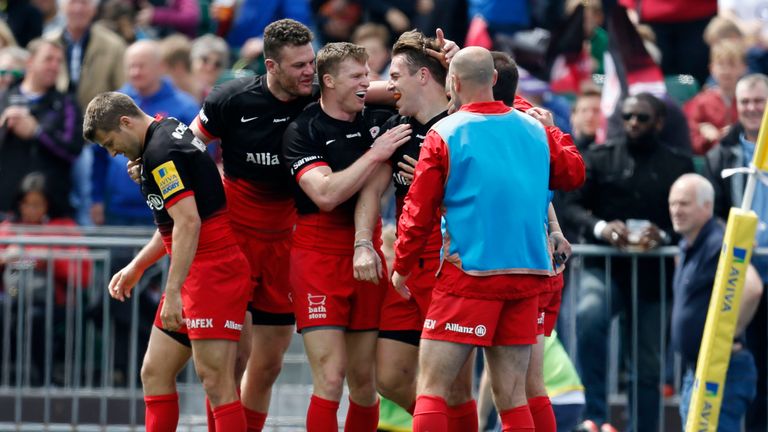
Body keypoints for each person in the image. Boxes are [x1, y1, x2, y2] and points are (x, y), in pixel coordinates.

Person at [391, 46, 579, 431]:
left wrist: (402, 266)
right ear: (494, 80)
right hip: (527, 276)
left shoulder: (445, 132)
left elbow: (418, 210)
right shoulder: (534, 129)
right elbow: (574, 172)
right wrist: (551, 127)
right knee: (515, 397)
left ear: (452, 85)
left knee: (432, 389)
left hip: (469, 276)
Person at [83, 92, 250, 431]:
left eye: (110, 143)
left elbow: (189, 223)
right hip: (196, 270)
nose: (113, 152)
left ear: (125, 122)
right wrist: (138, 266)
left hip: (211, 273)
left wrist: (172, 293)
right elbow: (176, 223)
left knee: (217, 382)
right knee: (155, 372)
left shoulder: (159, 154)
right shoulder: (167, 129)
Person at [282, 41, 411, 431]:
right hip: (317, 254)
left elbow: (434, 88)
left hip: (367, 249)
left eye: (368, 74)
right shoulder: (302, 130)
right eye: (356, 76)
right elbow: (324, 195)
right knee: (331, 377)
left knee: (364, 382)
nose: (365, 82)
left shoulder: (377, 116)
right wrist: (376, 153)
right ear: (328, 81)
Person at [356, 30, 476, 429]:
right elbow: (372, 190)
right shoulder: (399, 126)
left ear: (423, 77)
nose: (389, 86)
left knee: (453, 389)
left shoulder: (463, 123)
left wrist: (435, 181)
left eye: (395, 76)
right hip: (405, 265)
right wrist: (363, 243)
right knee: (389, 378)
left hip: (450, 265)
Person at [559, 93, 694, 432]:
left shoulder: (677, 165)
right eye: (628, 116)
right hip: (603, 267)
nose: (633, 123)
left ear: (659, 122)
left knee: (648, 365)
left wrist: (662, 236)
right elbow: (571, 206)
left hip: (653, 277)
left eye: (642, 117)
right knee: (588, 316)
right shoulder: (600, 158)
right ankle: (595, 419)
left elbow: (691, 219)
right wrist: (602, 229)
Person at [668, 173, 762, 431]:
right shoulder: (689, 244)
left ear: (706, 206)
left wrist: (724, 336)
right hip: (699, 370)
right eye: (672, 203)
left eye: (684, 203)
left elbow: (752, 287)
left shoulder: (716, 242)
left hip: (721, 370)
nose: (676, 210)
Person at [705, 73, 768, 432]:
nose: (752, 108)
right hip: (741, 271)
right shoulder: (721, 155)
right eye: (745, 101)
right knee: (745, 359)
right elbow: (713, 214)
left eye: (759, 101)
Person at [0, 38, 83, 219]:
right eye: (48, 59)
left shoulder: (66, 103)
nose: (54, 66)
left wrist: (37, 133)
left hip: (52, 211)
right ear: (30, 61)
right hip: (7, 210)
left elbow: (73, 151)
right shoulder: (4, 97)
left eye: (58, 61)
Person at [48, 0, 126, 111]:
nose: (78, 9)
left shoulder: (113, 46)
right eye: (73, 3)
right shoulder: (48, 43)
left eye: (84, 3)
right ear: (62, 8)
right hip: (55, 119)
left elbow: (123, 89)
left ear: (94, 10)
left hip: (99, 119)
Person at [684, 40, 747, 155]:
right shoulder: (700, 102)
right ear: (712, 68)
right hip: (710, 162)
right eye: (721, 64)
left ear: (743, 67)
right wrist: (705, 135)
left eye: (732, 64)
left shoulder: (752, 102)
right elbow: (688, 140)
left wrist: (738, 132)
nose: (726, 70)